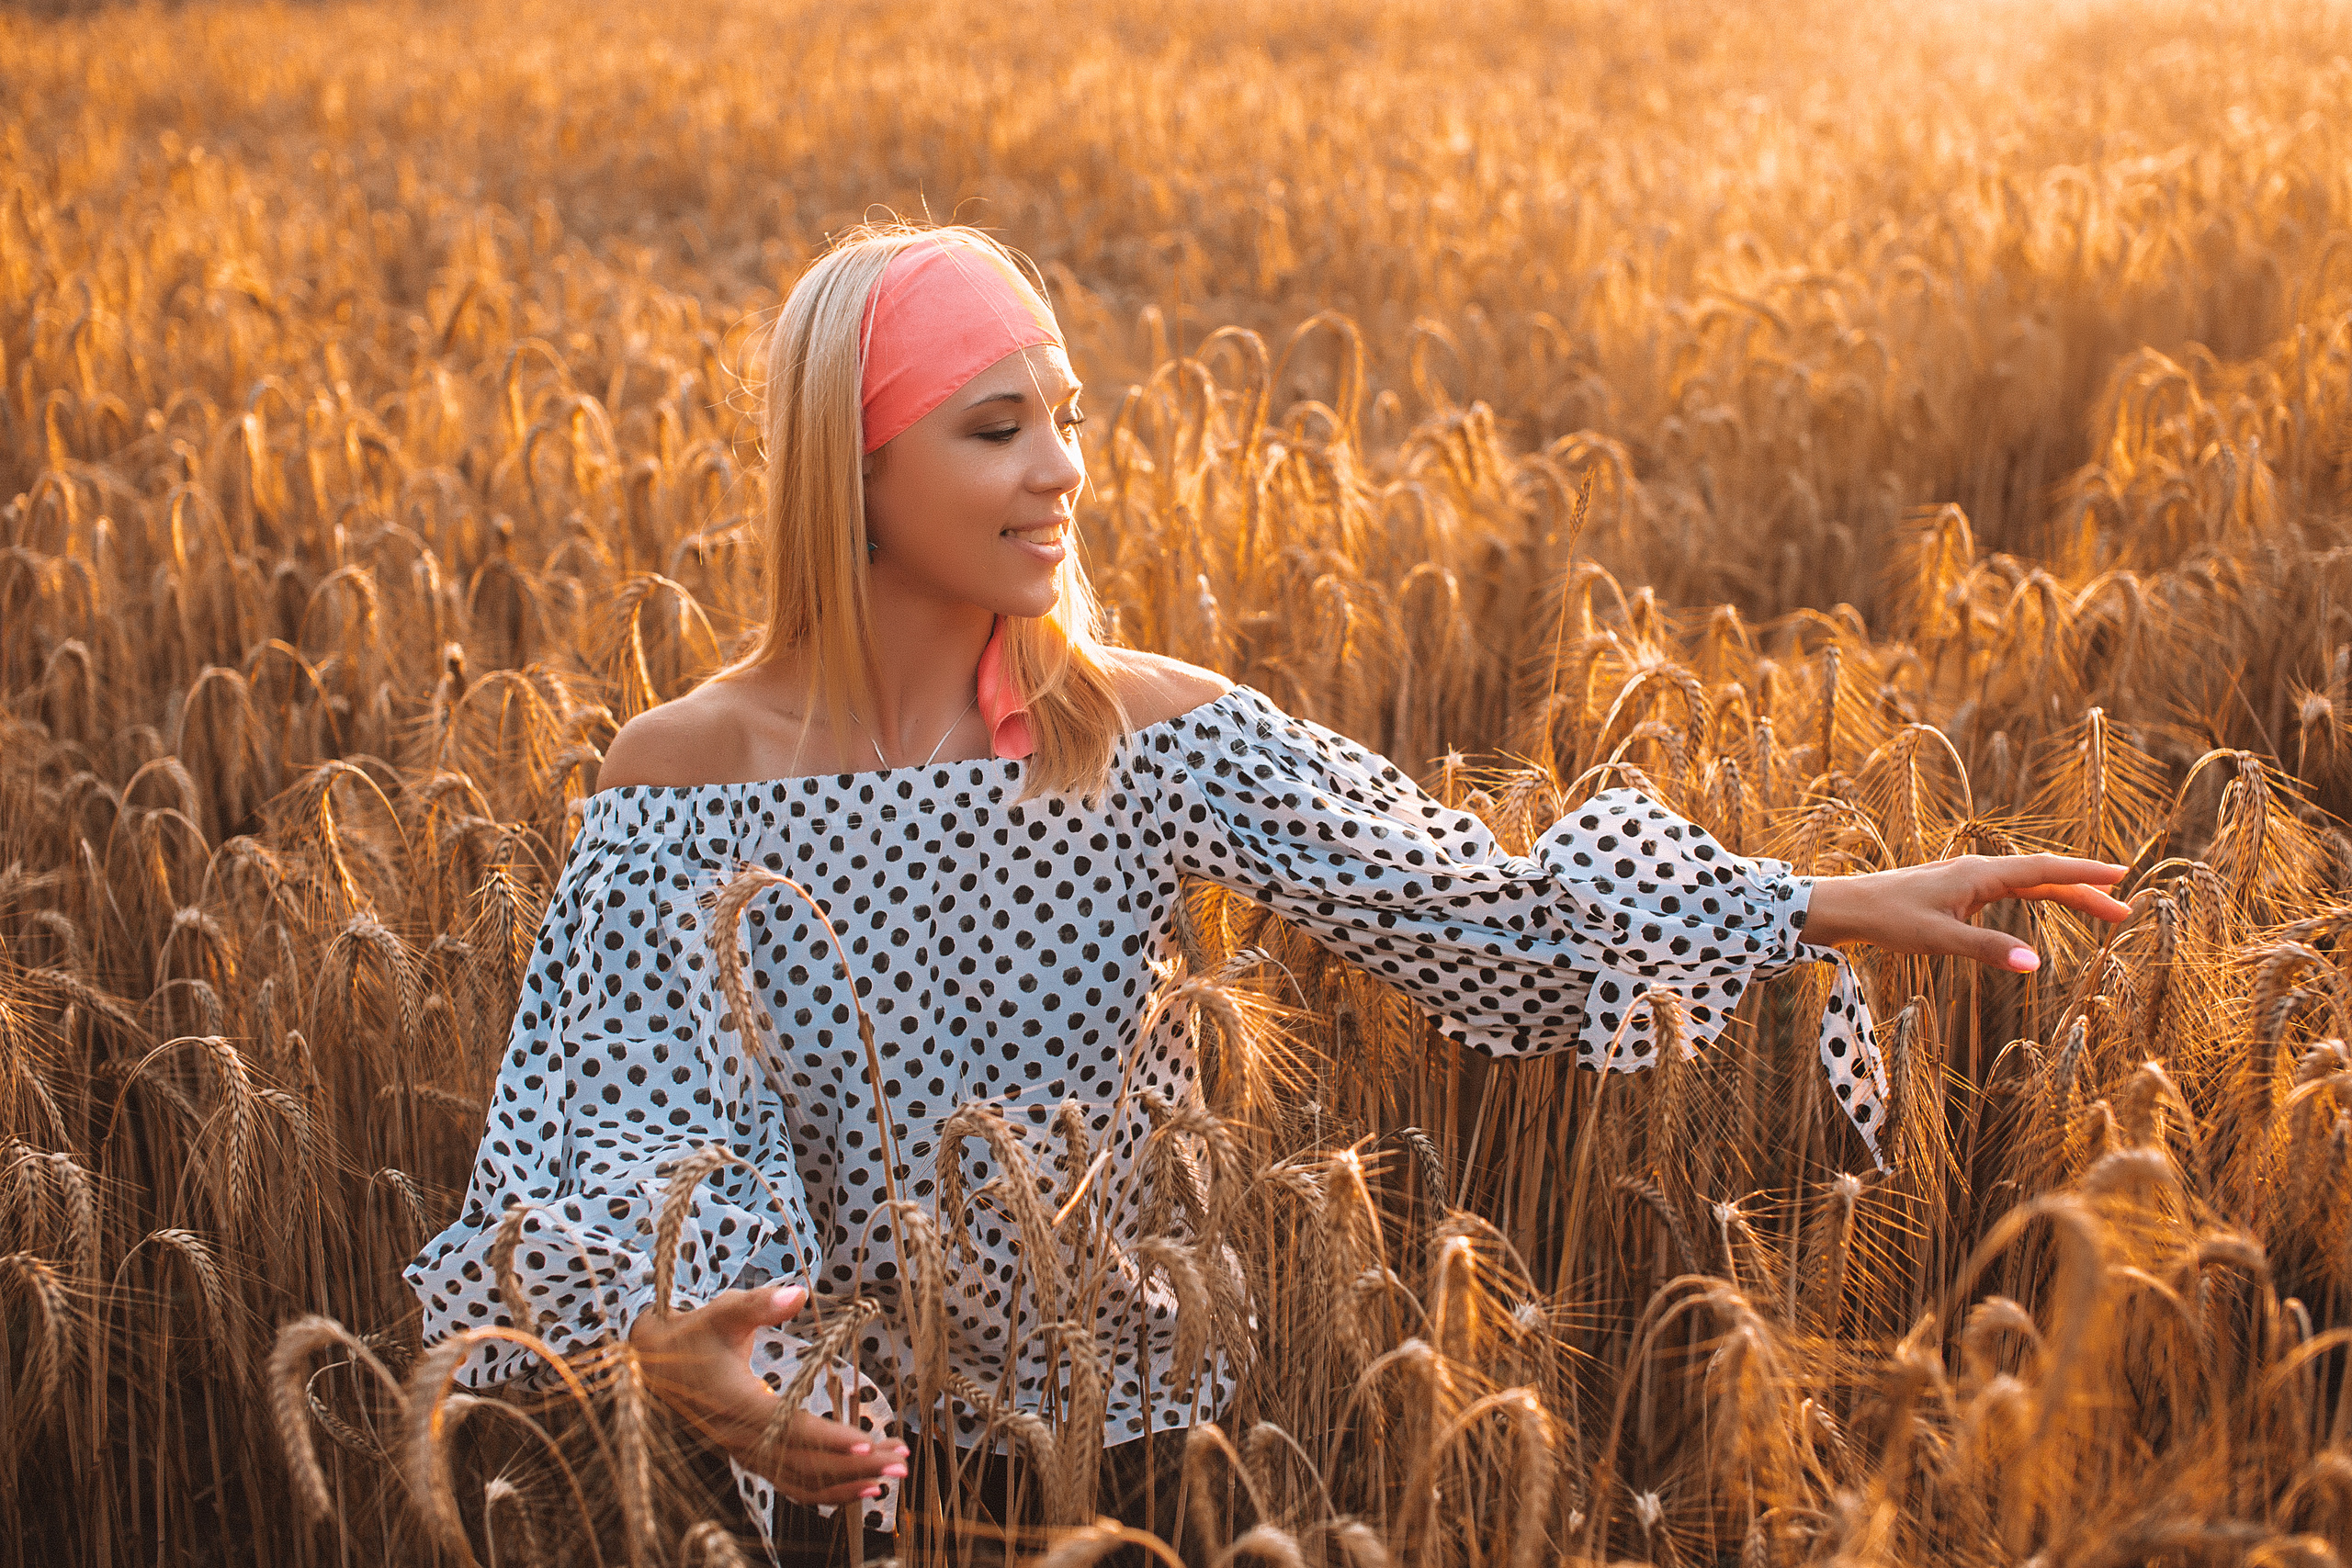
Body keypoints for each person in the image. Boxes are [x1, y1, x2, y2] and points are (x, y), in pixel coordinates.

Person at [405, 223, 2132, 1562]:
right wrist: (680, 1350)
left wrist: (1823, 900)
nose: (1065, 468)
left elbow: (1481, 913)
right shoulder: (685, 782)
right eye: (997, 427)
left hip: (1147, 1447)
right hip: (842, 1477)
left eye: (1070, 416)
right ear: (848, 473)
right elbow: (631, 1137)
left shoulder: (1143, 735)